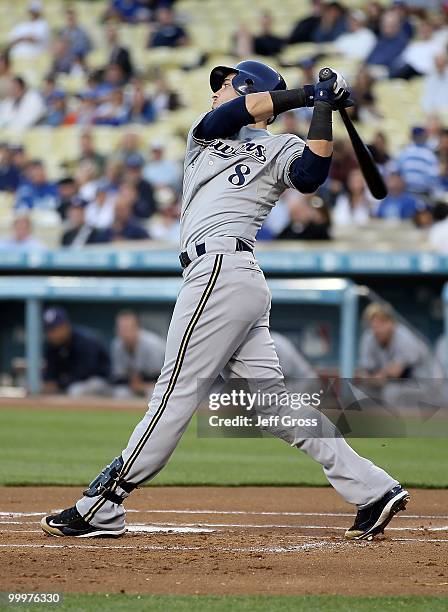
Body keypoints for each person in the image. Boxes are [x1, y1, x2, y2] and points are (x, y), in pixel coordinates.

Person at [41, 60, 409, 541]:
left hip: (224, 271)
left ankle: (102, 504)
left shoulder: (280, 148)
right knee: (273, 406)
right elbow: (231, 114)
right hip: (222, 275)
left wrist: (323, 108)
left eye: (227, 84)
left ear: (250, 87)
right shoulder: (207, 134)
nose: (216, 91)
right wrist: (310, 93)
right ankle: (373, 489)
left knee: (174, 391)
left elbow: (312, 175)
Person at [42, 307, 111, 396]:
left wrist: (59, 383)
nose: (51, 334)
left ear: (65, 326)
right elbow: (50, 372)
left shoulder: (85, 341)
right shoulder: (52, 346)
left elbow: (85, 373)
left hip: (100, 381)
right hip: (72, 383)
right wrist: (48, 382)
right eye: (48, 330)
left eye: (54, 329)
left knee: (75, 390)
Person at [359, 303, 435, 380]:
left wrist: (374, 378)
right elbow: (365, 368)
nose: (377, 330)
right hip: (398, 383)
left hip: (426, 380)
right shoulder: (369, 337)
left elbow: (395, 372)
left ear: (391, 323)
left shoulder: (405, 337)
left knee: (391, 390)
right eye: (374, 325)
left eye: (381, 323)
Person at [112, 310, 166, 398]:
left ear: (137, 329)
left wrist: (141, 385)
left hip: (160, 384)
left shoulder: (152, 345)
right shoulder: (117, 345)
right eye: (121, 328)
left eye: (127, 328)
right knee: (120, 393)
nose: (124, 333)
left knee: (153, 394)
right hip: (134, 386)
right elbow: (119, 378)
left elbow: (163, 378)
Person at [396, 126, 439, 196]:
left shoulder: (404, 152)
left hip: (410, 193)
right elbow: (433, 177)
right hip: (418, 194)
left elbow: (398, 172)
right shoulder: (429, 154)